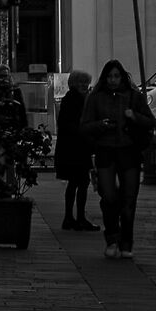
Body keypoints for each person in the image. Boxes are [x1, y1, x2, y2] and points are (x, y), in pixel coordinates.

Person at [78, 58, 155, 259]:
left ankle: (126, 242)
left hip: (129, 151)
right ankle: (112, 237)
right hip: (105, 150)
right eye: (110, 76)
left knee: (129, 200)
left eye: (116, 76)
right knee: (109, 197)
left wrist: (134, 117)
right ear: (105, 78)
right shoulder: (95, 99)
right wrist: (100, 126)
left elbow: (149, 121)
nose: (113, 80)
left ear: (122, 77)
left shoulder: (133, 97)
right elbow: (84, 126)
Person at [54, 69, 95, 231]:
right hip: (76, 148)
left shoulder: (71, 98)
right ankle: (78, 218)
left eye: (86, 82)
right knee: (82, 182)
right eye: (81, 82)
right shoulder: (76, 100)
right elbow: (73, 125)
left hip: (70, 148)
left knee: (75, 182)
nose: (84, 85)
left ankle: (71, 217)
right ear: (73, 83)